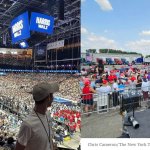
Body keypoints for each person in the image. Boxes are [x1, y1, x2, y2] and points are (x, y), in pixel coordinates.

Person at [15, 82, 59, 150]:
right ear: (48, 98)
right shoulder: (28, 124)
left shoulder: (47, 114)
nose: (53, 97)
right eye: (52, 95)